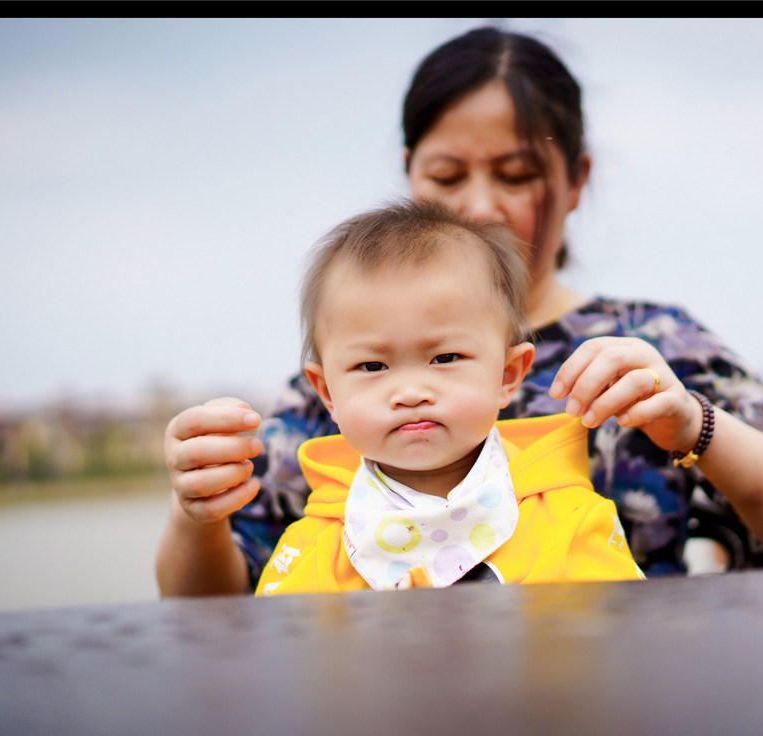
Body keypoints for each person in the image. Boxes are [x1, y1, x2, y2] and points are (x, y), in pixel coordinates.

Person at [157, 26, 763, 598]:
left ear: (576, 179)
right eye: (445, 176)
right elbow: (221, 612)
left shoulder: (654, 346)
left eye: (517, 175)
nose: (480, 206)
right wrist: (197, 515)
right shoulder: (351, 386)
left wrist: (694, 423)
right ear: (409, 172)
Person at [255, 200, 644, 594]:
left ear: (508, 376)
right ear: (327, 394)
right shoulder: (312, 548)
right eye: (372, 366)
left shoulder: (570, 521)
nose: (410, 393)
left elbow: (615, 637)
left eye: (445, 358)